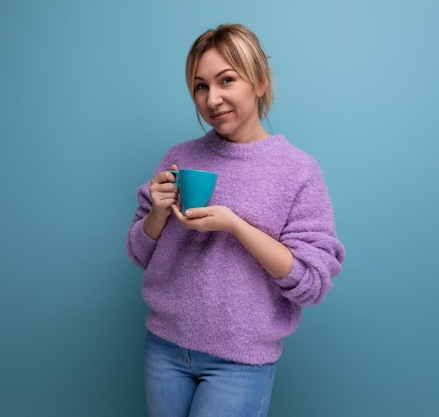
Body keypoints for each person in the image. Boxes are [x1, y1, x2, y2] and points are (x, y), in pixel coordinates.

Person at [125, 23, 345, 417]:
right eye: (201, 86)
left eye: (227, 80)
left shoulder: (297, 172)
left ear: (259, 82)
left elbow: (311, 284)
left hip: (240, 362)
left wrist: (236, 226)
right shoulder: (179, 156)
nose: (213, 99)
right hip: (164, 348)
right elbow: (139, 253)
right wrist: (157, 213)